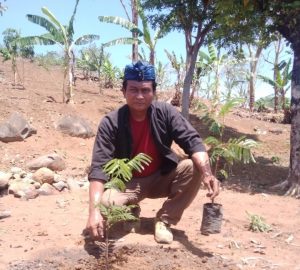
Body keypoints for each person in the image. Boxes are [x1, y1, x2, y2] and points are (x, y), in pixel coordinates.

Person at [86, 61, 220, 244]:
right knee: (105, 204)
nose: (140, 96)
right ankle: (129, 211)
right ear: (123, 91)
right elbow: (98, 169)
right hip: (127, 183)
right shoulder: (111, 122)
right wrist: (93, 212)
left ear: (153, 92)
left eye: (145, 90)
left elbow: (193, 141)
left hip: (161, 177)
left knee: (194, 167)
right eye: (133, 90)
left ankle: (165, 220)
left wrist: (207, 174)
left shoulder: (166, 113)